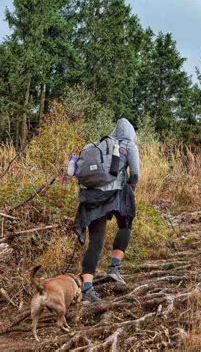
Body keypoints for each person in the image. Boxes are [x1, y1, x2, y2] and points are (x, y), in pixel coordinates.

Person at [74, 118, 139, 303]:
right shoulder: (128, 145)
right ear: (131, 132)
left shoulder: (102, 144)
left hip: (92, 197)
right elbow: (135, 173)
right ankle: (114, 268)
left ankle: (87, 289)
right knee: (125, 224)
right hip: (116, 195)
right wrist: (131, 186)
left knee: (95, 241)